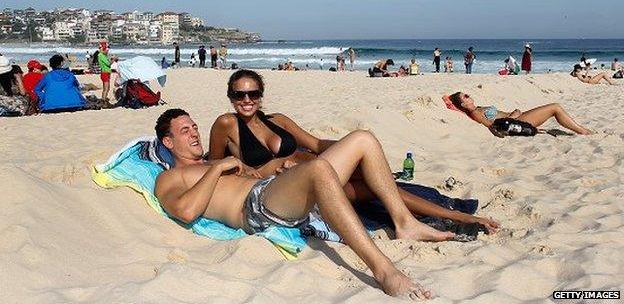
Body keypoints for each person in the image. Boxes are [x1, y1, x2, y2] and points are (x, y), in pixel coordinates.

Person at [157, 109, 452, 300]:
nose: (195, 132)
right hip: (254, 209)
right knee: (318, 170)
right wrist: (217, 169)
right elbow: (185, 211)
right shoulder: (171, 178)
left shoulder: (212, 159)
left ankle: (404, 223)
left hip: (273, 192)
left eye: (194, 126)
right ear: (168, 143)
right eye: (185, 131)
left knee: (363, 139)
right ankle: (385, 272)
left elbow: (255, 173)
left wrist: (276, 169)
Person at [208, 70, 500, 233]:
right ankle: (442, 220)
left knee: (379, 183)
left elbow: (317, 144)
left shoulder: (278, 120)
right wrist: (260, 170)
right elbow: (217, 168)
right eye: (239, 94)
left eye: (252, 94)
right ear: (230, 97)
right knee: (378, 188)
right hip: (299, 185)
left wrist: (346, 147)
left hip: (324, 164)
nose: (246, 100)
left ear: (261, 96)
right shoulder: (226, 124)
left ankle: (446, 218)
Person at [448, 92, 591, 135]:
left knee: (554, 107)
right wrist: (513, 116)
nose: (469, 95)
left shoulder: (478, 108)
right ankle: (582, 131)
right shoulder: (475, 113)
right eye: (465, 96)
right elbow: (494, 127)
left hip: (517, 118)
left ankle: (581, 130)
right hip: (515, 122)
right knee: (555, 107)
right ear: (463, 104)